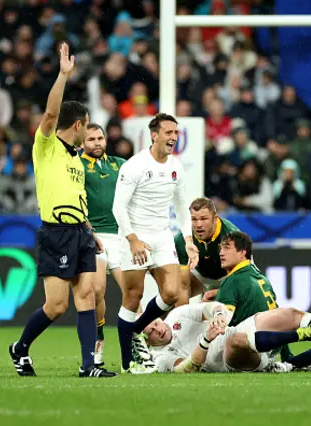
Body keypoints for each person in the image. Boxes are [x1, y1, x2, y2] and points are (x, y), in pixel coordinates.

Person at [8, 43, 116, 378]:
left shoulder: (75, 160)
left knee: (86, 295)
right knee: (57, 306)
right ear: (79, 124)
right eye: (87, 126)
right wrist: (63, 74)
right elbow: (51, 114)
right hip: (55, 233)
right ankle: (20, 348)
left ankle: (88, 366)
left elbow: (76, 199)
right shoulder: (47, 146)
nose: (89, 132)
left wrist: (91, 232)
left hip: (81, 232)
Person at [112, 113, 199, 374]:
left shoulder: (175, 166)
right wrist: (133, 240)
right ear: (154, 135)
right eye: (168, 132)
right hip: (135, 236)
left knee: (173, 292)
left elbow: (182, 206)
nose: (173, 137)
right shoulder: (135, 165)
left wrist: (188, 239)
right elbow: (118, 207)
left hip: (161, 236)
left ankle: (136, 332)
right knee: (132, 297)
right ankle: (128, 362)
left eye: (176, 133)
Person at [145, 303, 311, 373]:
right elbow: (186, 369)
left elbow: (214, 307)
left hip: (238, 331)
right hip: (229, 359)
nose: (157, 330)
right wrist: (205, 339)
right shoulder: (161, 357)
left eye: (155, 324)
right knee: (236, 341)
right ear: (148, 343)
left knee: (290, 313)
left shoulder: (177, 314)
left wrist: (219, 317)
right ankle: (300, 336)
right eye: (151, 333)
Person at [80, 123, 127, 367]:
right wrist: (88, 230)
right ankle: (99, 338)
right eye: (91, 139)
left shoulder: (120, 164)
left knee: (132, 293)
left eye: (100, 138)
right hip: (94, 237)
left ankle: (135, 346)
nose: (97, 143)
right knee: (97, 290)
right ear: (83, 143)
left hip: (120, 237)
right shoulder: (76, 166)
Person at [173, 197, 240, 305]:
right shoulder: (181, 241)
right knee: (171, 295)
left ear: (215, 219)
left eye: (204, 219)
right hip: (201, 276)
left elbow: (244, 279)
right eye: (194, 219)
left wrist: (220, 293)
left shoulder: (232, 236)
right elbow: (183, 287)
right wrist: (182, 317)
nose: (199, 224)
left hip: (228, 278)